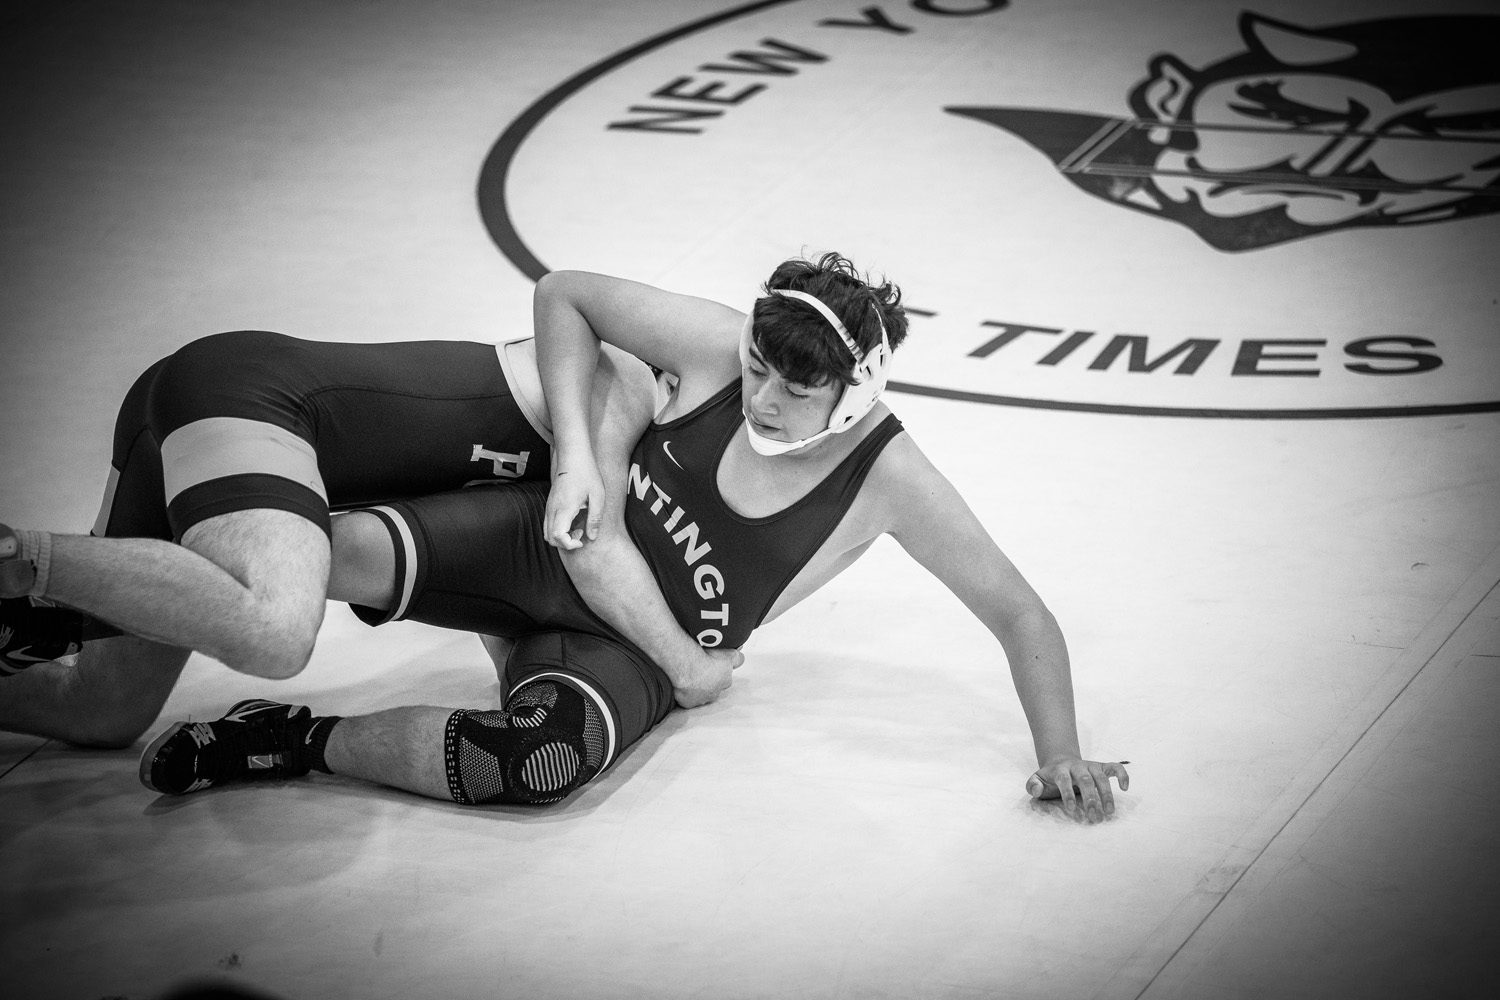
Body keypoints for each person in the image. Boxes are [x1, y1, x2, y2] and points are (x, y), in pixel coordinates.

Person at [133, 252, 1130, 821]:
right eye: (758, 370)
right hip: (543, 545)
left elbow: (1020, 613)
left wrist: (1063, 753)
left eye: (796, 390)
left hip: (632, 649)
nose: (764, 401)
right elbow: (564, 291)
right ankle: (94, 595)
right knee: (321, 555)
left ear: (856, 392)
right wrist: (576, 454)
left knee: (535, 763)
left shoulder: (891, 479)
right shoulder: (716, 347)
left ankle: (289, 738)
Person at [0, 330, 737, 748]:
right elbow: (596, 549)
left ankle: (38, 590)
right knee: (276, 630)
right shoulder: (626, 387)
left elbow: (501, 596)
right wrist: (683, 664)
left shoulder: (629, 453)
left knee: (102, 711)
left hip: (224, 429)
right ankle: (18, 557)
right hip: (247, 397)